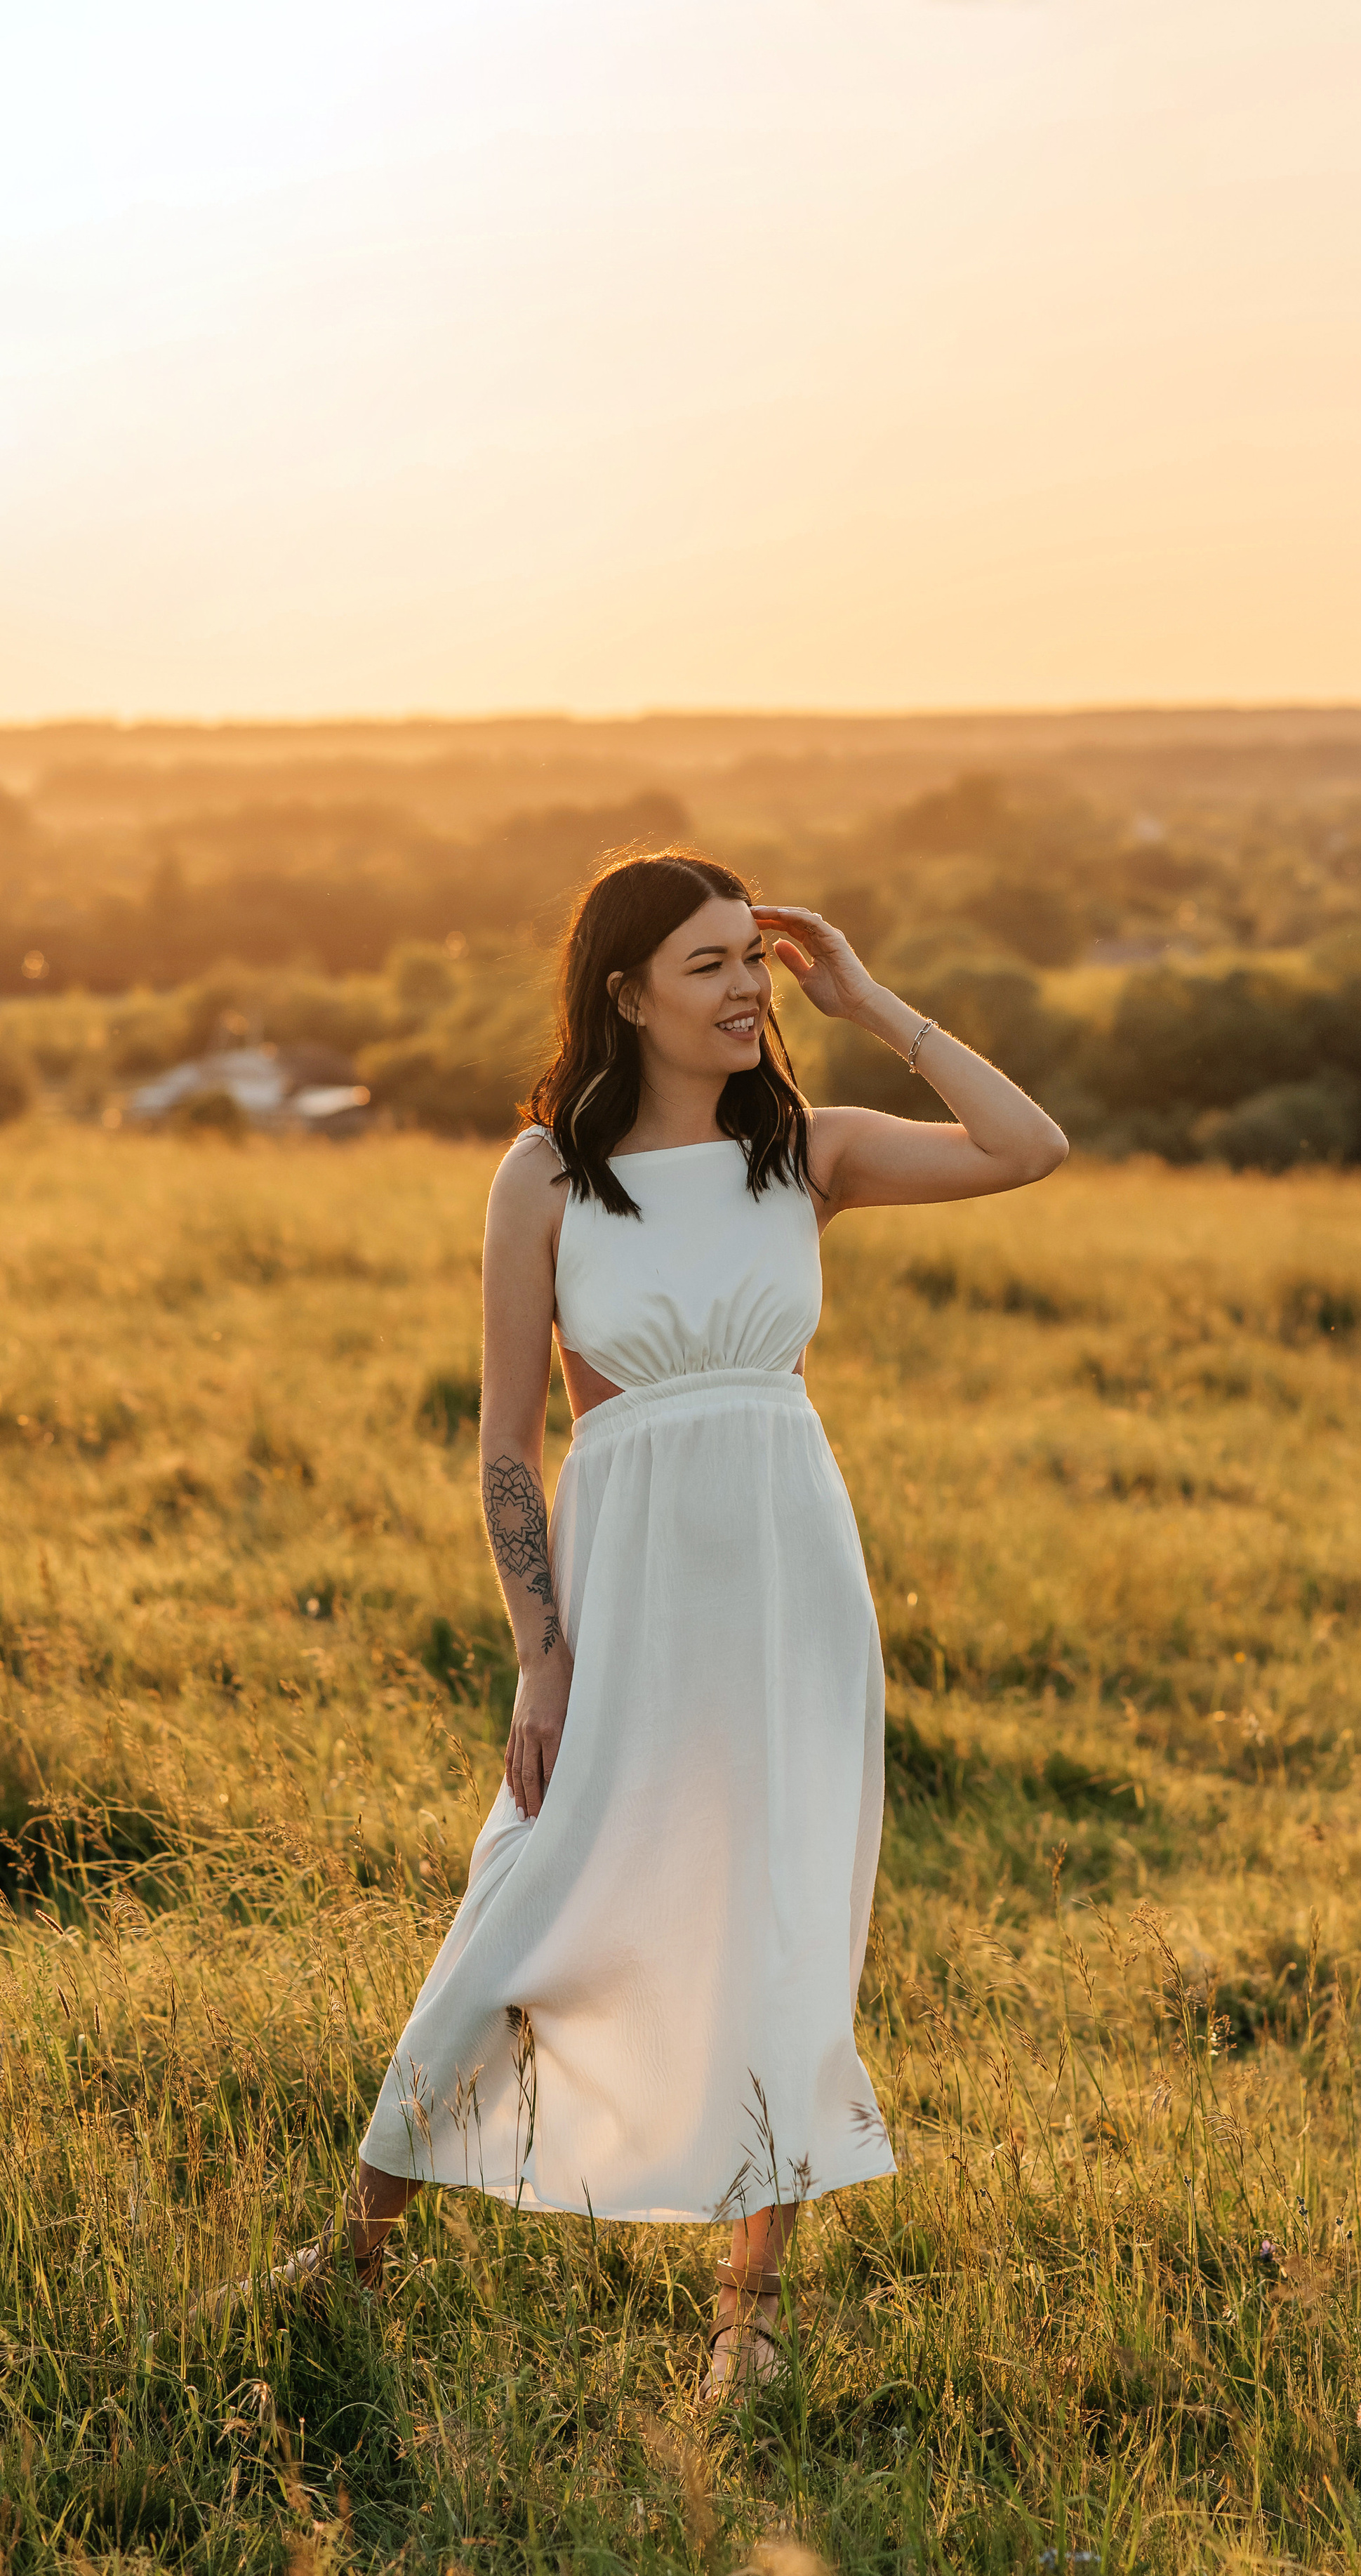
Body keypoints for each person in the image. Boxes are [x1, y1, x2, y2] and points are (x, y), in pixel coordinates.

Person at [279, 849, 1066, 2397]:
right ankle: (350, 2251)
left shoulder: (807, 1156)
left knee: (778, 1920)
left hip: (789, 1579)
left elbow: (1026, 1144)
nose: (744, 988)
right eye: (706, 963)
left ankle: (745, 2315)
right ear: (623, 990)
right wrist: (541, 1658)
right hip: (622, 1585)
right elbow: (511, 1441)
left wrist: (871, 999)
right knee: (523, 1898)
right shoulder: (547, 1177)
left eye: (752, 961)